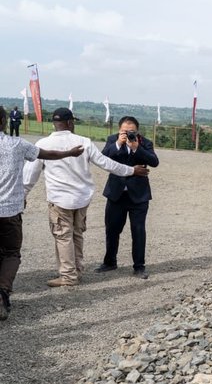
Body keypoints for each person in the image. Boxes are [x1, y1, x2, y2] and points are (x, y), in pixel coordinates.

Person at [23, 108, 150, 287]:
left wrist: (23, 194)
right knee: (76, 234)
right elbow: (107, 163)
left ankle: (68, 276)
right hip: (81, 199)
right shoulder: (84, 142)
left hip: (59, 200)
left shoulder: (43, 143)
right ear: (70, 123)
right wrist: (131, 170)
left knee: (63, 236)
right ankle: (77, 270)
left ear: (54, 123)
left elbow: (29, 176)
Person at [0, 107, 84, 319]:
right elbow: (47, 154)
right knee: (11, 254)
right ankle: (2, 292)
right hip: (9, 211)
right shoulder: (17, 145)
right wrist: (70, 153)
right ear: (4, 121)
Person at [94, 116, 159, 279]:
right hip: (116, 193)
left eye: (131, 131)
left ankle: (139, 266)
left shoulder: (145, 142)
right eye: (124, 131)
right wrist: (118, 143)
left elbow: (154, 162)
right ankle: (110, 262)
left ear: (137, 131)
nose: (128, 134)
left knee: (138, 231)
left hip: (139, 196)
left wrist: (137, 148)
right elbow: (102, 158)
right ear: (119, 130)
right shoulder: (112, 140)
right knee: (112, 229)